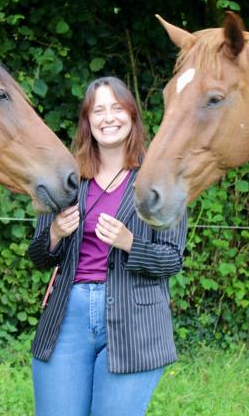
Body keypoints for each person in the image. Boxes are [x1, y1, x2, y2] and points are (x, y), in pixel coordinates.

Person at [27, 76, 188, 416]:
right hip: (67, 315)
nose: (108, 118)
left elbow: (172, 259)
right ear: (87, 121)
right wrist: (55, 232)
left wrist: (130, 244)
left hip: (136, 320)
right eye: (98, 110)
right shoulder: (67, 177)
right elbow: (39, 256)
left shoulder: (159, 178)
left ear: (132, 116)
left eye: (116, 108)